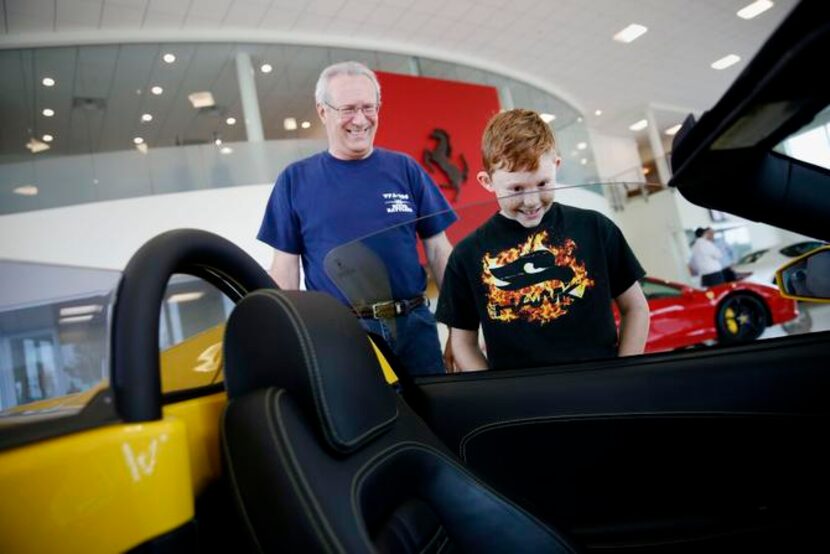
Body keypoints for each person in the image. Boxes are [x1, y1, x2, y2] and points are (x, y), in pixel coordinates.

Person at [257, 61, 456, 377]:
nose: (360, 120)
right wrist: (287, 340)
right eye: (348, 109)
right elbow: (285, 270)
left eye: (369, 107)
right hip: (341, 334)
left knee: (435, 419)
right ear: (323, 112)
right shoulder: (294, 181)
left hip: (415, 329)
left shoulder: (405, 169)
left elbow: (439, 251)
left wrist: (460, 329)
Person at [435, 109, 650, 371]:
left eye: (542, 183)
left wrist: (625, 373)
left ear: (556, 166)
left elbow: (636, 308)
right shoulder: (467, 254)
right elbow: (463, 341)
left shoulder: (596, 228)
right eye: (516, 189)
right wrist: (494, 395)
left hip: (601, 384)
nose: (532, 201)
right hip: (523, 399)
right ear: (486, 181)